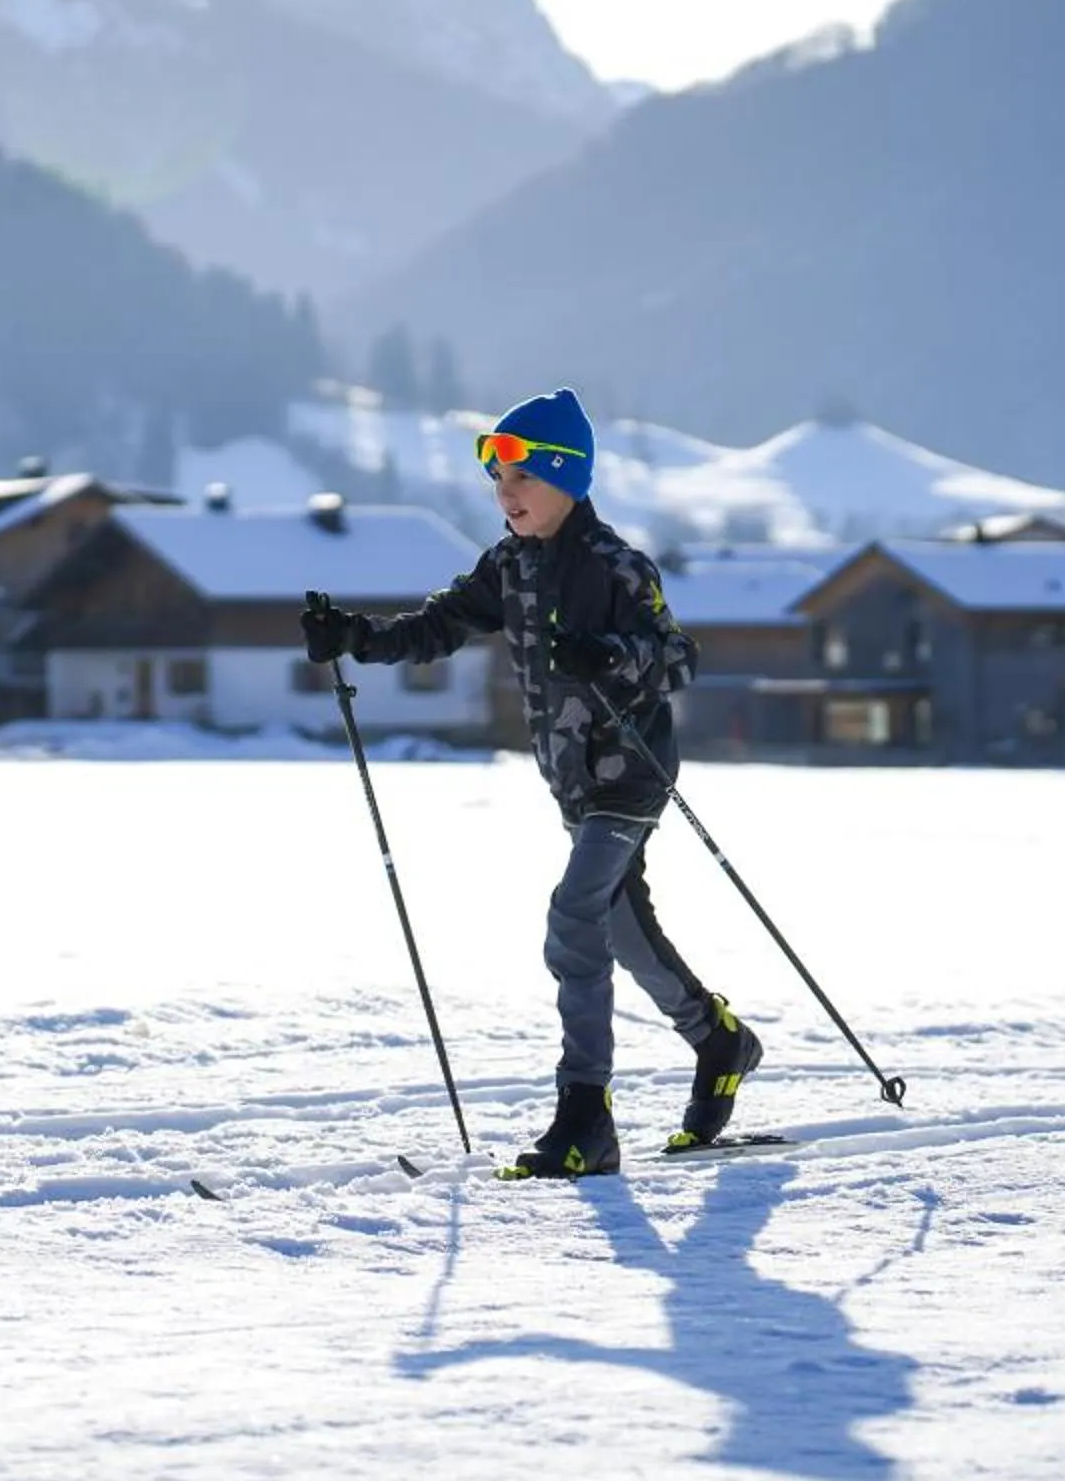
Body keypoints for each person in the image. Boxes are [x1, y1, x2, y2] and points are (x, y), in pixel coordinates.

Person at [300, 386, 761, 1177]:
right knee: (621, 928)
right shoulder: (508, 567)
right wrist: (357, 638)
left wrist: (611, 656)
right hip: (573, 783)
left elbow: (678, 656)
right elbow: (437, 625)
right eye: (498, 484)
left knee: (573, 914)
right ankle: (719, 1040)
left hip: (630, 775)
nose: (505, 497)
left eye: (521, 482)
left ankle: (585, 1113)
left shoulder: (617, 566)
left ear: (567, 480)